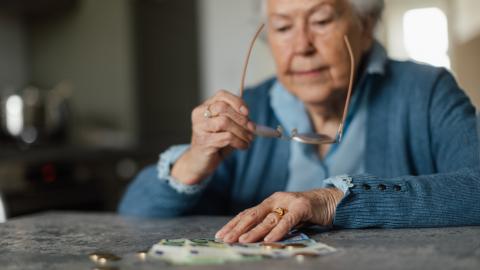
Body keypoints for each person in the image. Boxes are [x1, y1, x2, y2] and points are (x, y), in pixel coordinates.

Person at [119, 0, 480, 244]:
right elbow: (133, 217)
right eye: (282, 26)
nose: (302, 45)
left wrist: (331, 201)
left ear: (365, 27)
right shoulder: (249, 109)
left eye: (321, 21)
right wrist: (192, 163)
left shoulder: (425, 91)